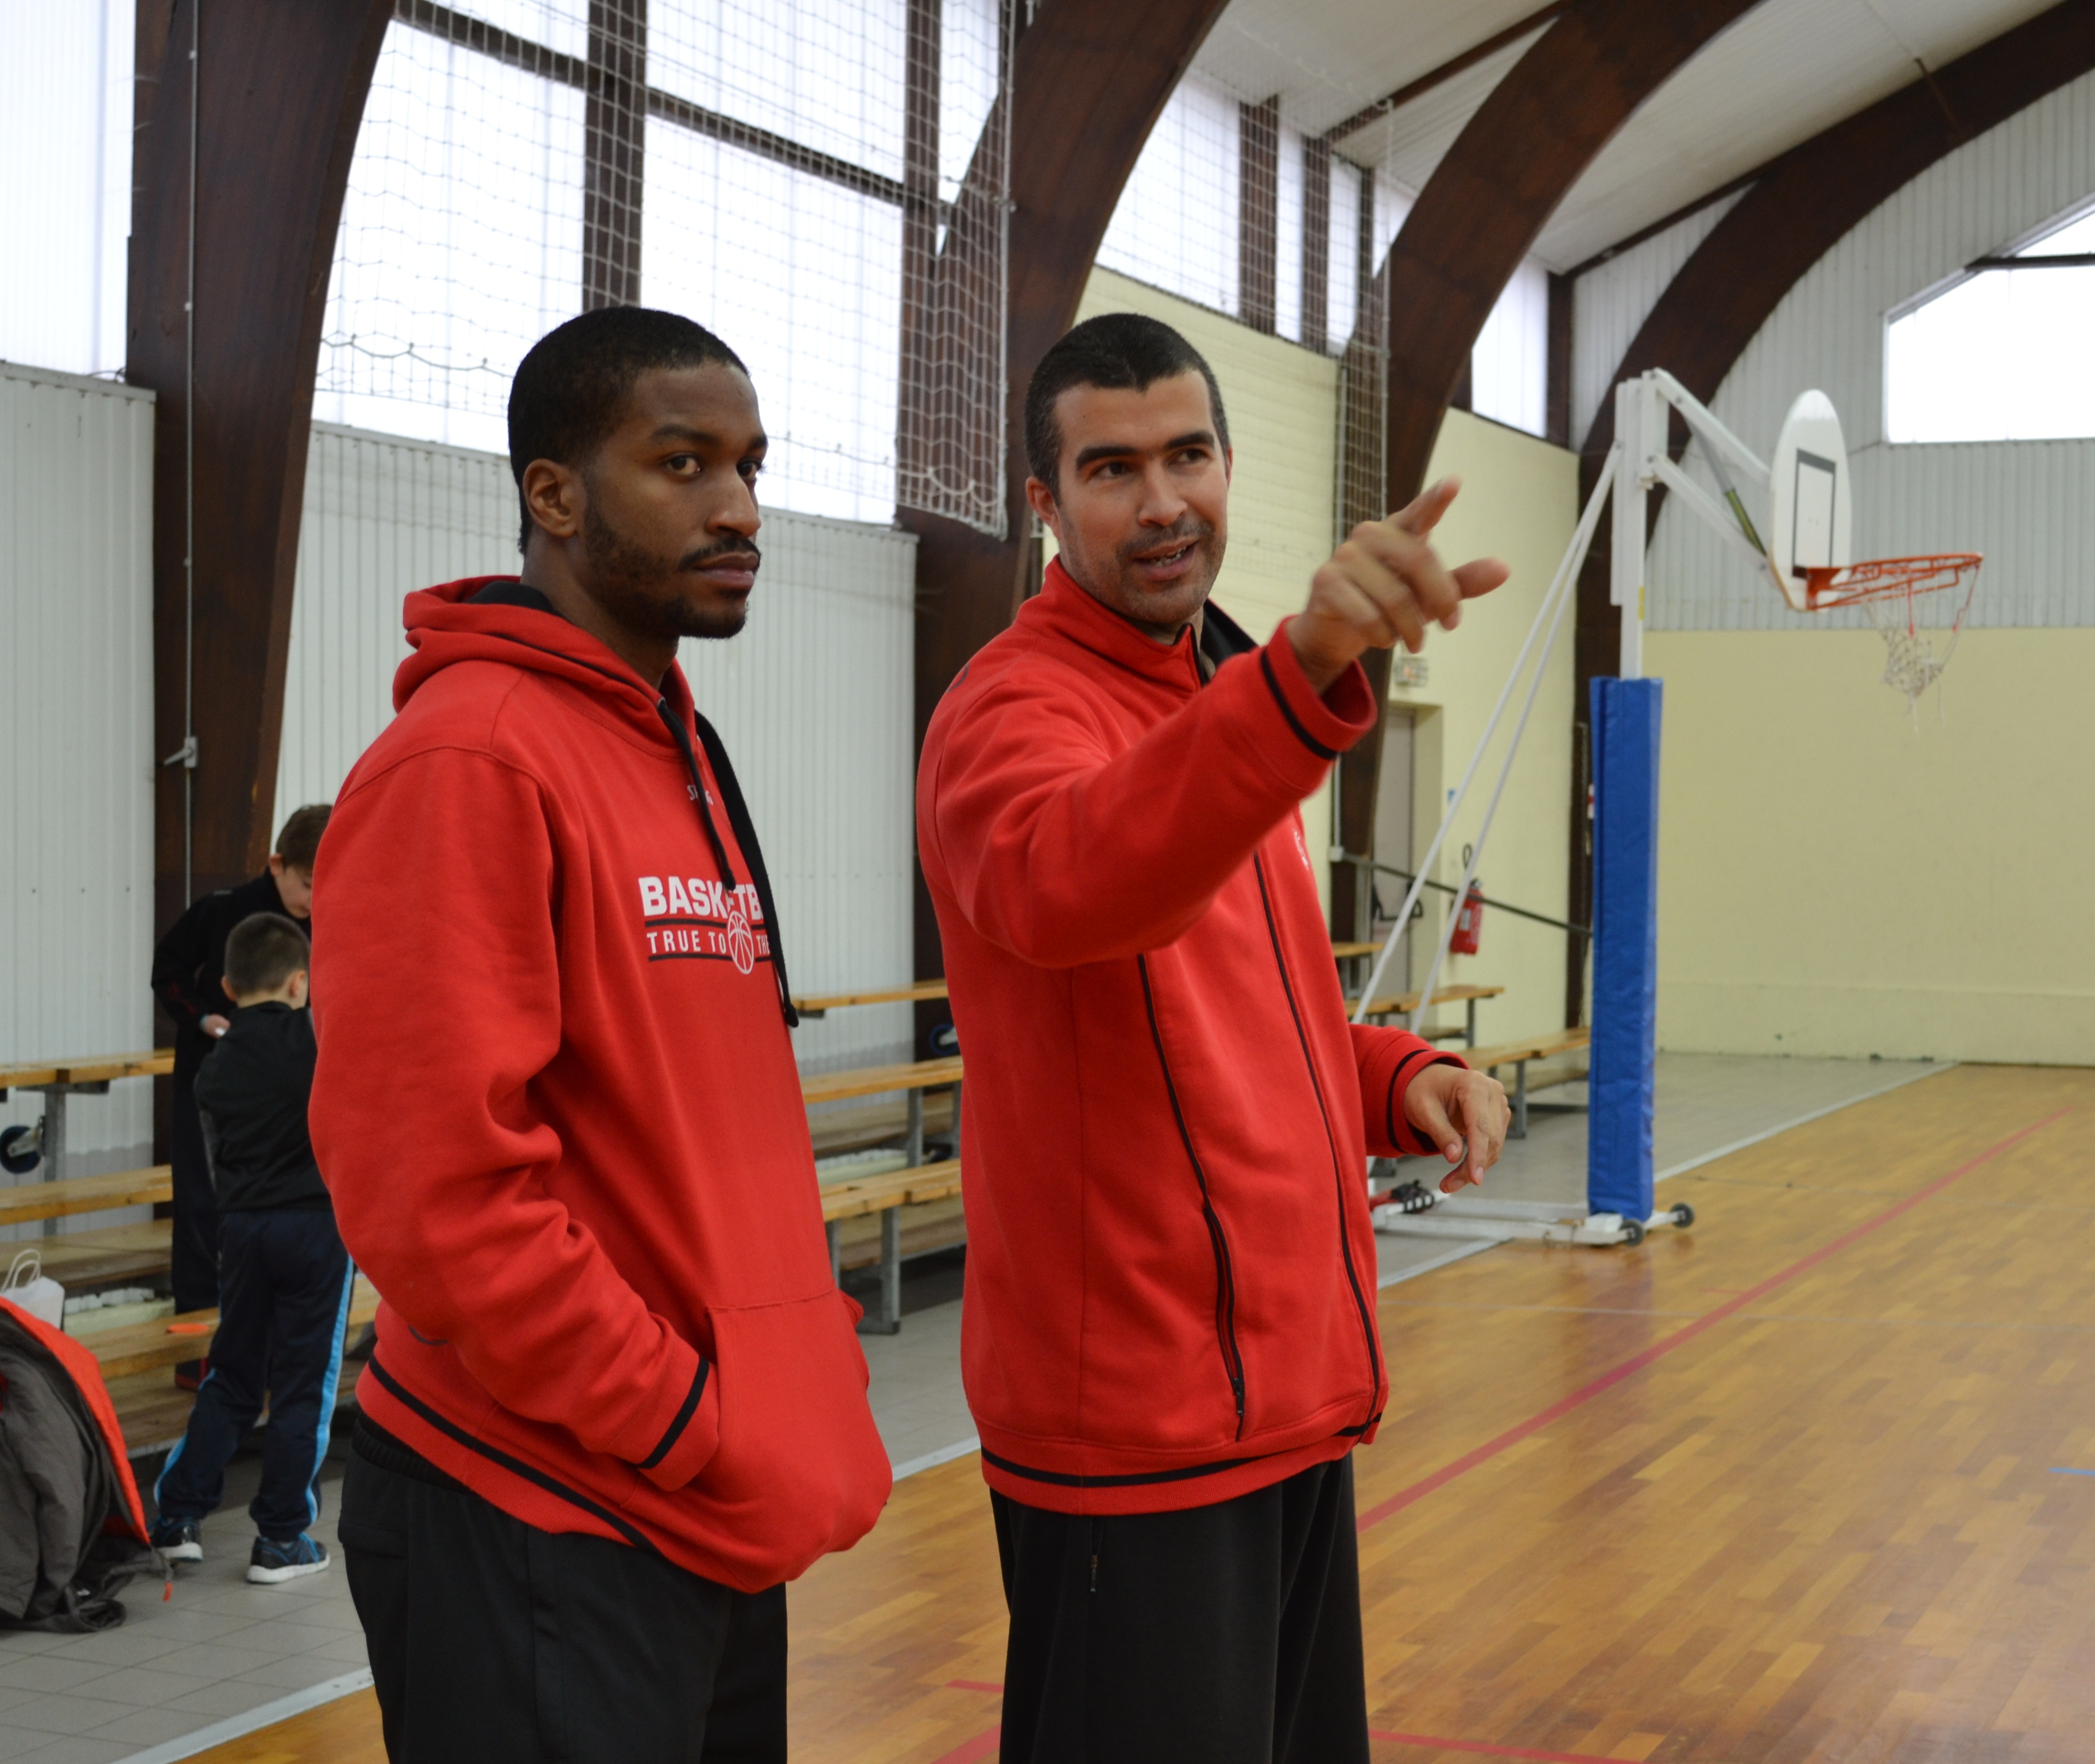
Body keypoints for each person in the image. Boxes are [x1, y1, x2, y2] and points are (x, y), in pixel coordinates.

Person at [916, 312, 1520, 1764]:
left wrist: (1396, 1071)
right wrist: (1300, 672)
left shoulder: (1212, 696)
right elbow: (1078, 883)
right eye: (1111, 468)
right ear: (1044, 506)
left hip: (1283, 1400)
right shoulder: (1013, 711)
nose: (1163, 498)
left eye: (1188, 454)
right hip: (1136, 1432)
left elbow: (1249, 997)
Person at [308, 308, 889, 1764]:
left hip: (685, 1505)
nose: (739, 508)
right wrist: (687, 1415)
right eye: (681, 463)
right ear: (551, 494)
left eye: (750, 466)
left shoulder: (669, 736)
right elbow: (434, 1194)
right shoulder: (469, 759)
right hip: (539, 1510)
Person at [149, 911, 351, 1585]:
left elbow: (215, 1155)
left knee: (233, 1374)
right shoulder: (322, 1042)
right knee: (303, 1385)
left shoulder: (217, 1064)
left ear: (229, 990)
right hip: (317, 1230)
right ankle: (283, 1537)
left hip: (242, 1232)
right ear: (302, 982)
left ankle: (178, 1516)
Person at [151, 803, 328, 1344]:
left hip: (290, 1096)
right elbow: (168, 971)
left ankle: (277, 1337)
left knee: (288, 1213)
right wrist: (203, 1020)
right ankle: (196, 1344)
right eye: (307, 883)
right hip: (211, 1086)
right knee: (203, 1208)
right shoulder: (223, 910)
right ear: (276, 865)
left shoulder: (331, 920)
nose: (314, 899)